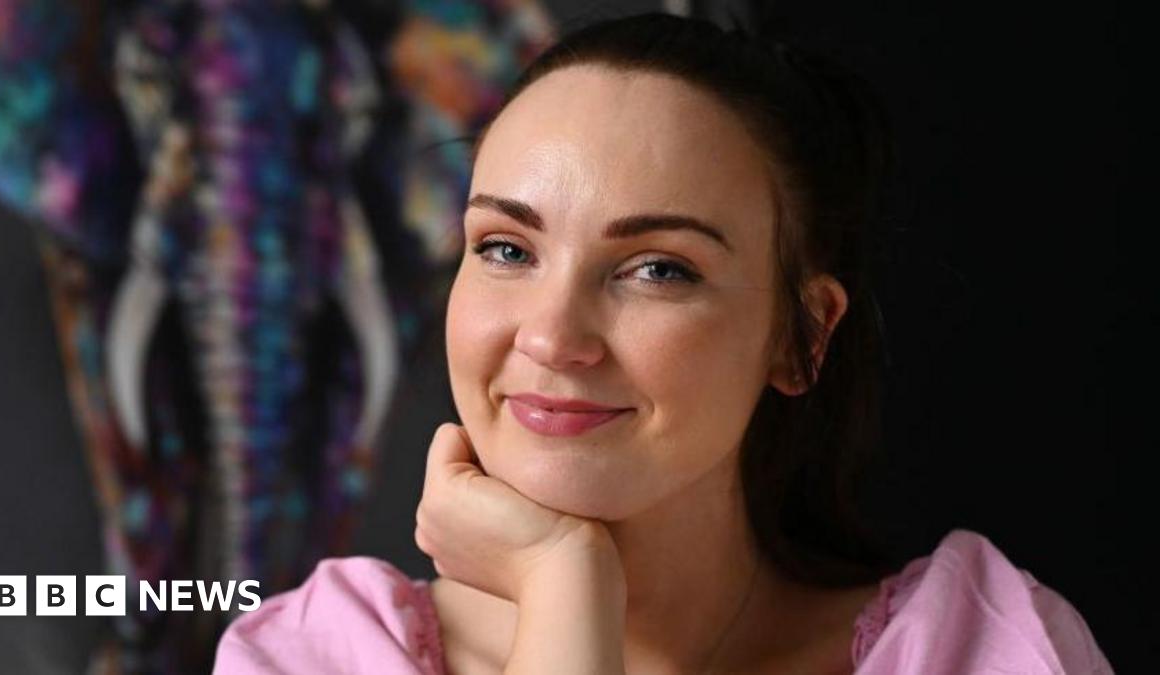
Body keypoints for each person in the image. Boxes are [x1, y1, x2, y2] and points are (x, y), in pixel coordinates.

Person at [212, 12, 1112, 674]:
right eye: (505, 248)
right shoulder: (307, 656)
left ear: (801, 336)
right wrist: (564, 586)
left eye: (658, 269)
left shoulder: (981, 650)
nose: (554, 335)